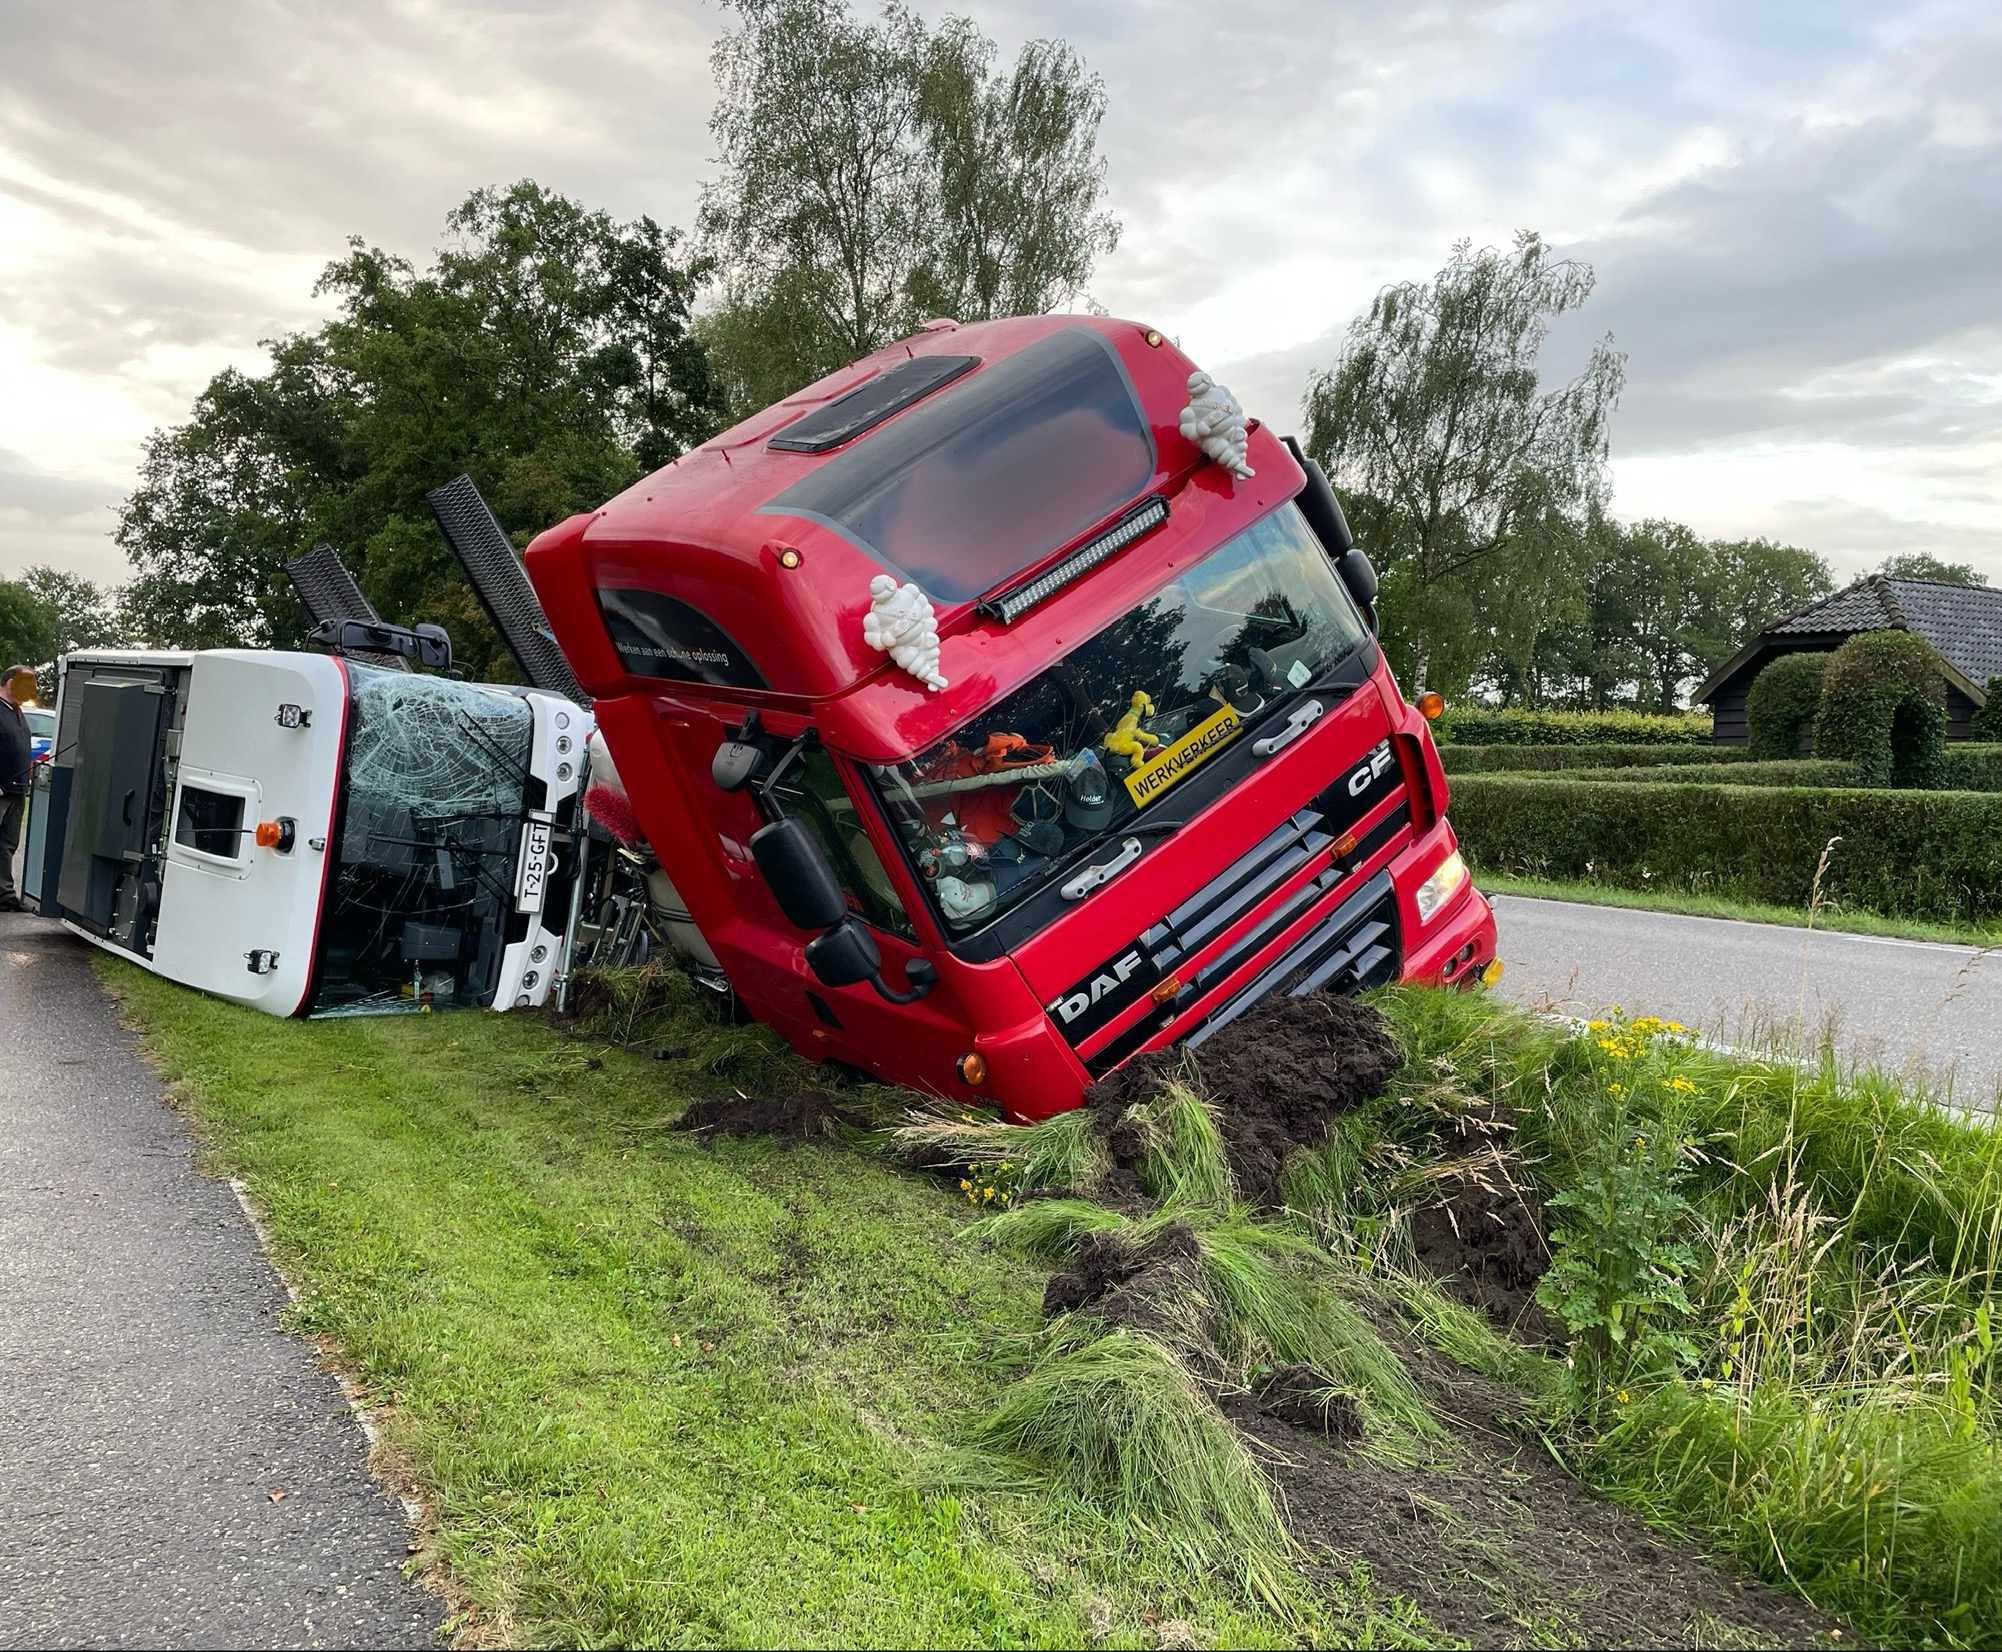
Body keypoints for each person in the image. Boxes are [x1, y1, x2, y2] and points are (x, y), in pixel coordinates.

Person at [0, 664, 35, 912]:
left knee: (7, 844)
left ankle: (4, 895)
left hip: (17, 788)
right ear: (10, 683)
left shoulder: (18, 711)